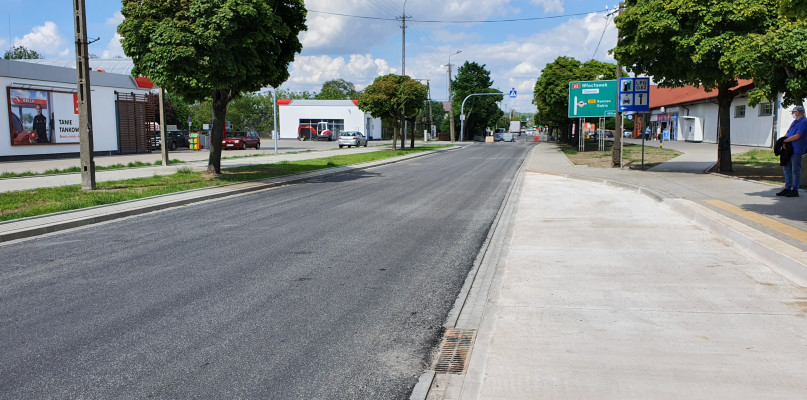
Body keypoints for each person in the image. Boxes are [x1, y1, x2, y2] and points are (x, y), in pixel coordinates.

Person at [777, 105, 807, 197]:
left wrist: (785, 140)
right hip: (789, 149)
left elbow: (798, 135)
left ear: (798, 112)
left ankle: (795, 189)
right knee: (787, 169)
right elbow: (788, 133)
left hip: (797, 149)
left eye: (793, 112)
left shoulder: (804, 122)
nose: (792, 114)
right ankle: (787, 188)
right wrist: (783, 140)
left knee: (795, 170)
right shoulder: (795, 122)